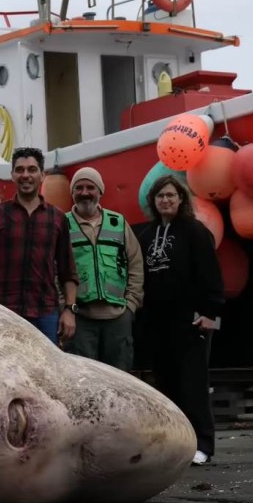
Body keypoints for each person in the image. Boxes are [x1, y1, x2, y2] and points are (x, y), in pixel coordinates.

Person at [136, 175, 224, 466]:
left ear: (181, 199)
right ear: (154, 200)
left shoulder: (195, 232)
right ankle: (176, 444)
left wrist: (211, 314)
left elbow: (211, 274)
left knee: (193, 383)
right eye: (160, 196)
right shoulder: (146, 235)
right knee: (167, 384)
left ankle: (203, 445)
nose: (165, 200)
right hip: (158, 323)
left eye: (171, 195)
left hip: (191, 321)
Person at [0, 147, 79, 346]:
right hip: (4, 312)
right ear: (12, 175)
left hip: (45, 313)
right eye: (20, 170)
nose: (26, 175)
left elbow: (68, 270)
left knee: (45, 373)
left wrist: (69, 310)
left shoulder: (57, 218)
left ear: (42, 175)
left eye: (32, 170)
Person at [63, 167, 144, 371]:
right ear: (72, 193)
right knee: (82, 378)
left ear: (100, 191)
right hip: (79, 319)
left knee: (121, 381)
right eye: (78, 187)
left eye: (90, 187)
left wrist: (131, 305)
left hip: (118, 319)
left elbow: (135, 264)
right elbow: (55, 269)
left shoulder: (118, 223)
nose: (84, 192)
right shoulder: (62, 225)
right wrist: (64, 307)